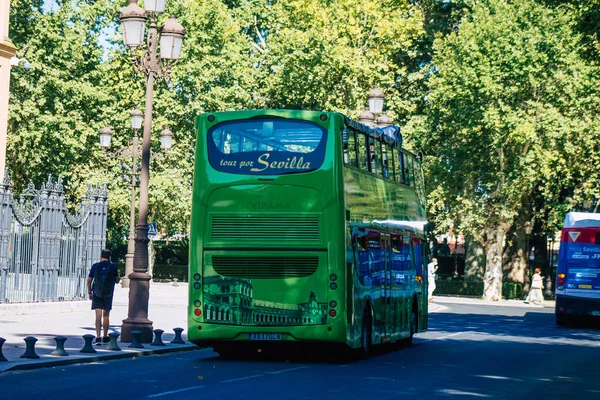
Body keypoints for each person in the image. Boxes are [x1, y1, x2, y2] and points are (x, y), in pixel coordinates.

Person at [87, 249, 120, 345]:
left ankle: (98, 337)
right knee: (106, 316)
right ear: (109, 257)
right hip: (108, 294)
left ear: (100, 256)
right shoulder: (113, 266)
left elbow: (89, 280)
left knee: (98, 315)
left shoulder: (95, 266)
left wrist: (90, 293)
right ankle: (105, 337)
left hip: (97, 293)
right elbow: (117, 280)